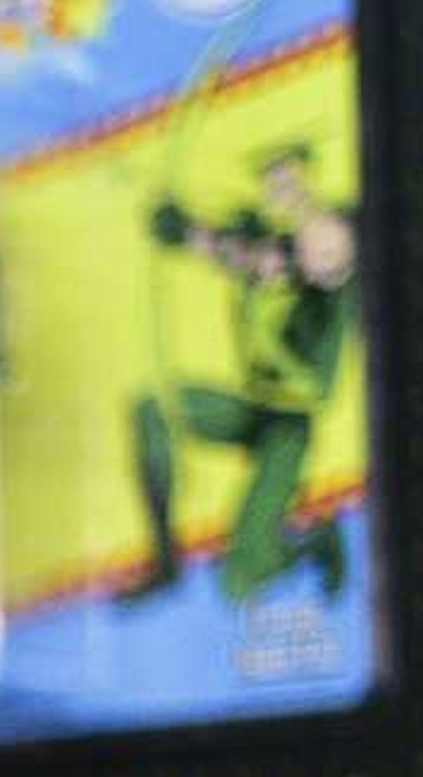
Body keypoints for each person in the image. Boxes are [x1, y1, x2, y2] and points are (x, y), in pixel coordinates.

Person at [123, 141, 356, 603]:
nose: (278, 189)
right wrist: (177, 227)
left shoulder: (330, 243)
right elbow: (226, 245)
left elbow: (329, 254)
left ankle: (312, 544)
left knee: (238, 580)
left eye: (287, 178)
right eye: (272, 180)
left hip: (290, 425)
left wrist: (298, 215)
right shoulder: (265, 242)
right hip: (254, 408)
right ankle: (166, 557)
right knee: (155, 409)